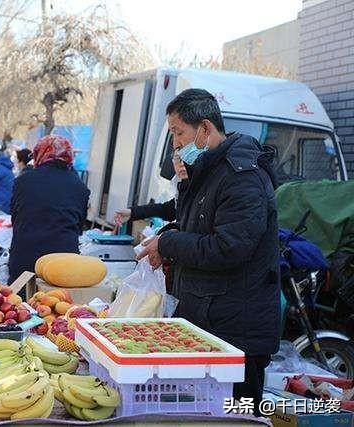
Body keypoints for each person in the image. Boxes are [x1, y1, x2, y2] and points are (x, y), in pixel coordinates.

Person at [138, 89, 280, 414]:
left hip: (237, 334)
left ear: (204, 128)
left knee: (237, 416)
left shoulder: (243, 177)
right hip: (209, 321)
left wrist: (169, 243)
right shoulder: (208, 171)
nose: (174, 143)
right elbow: (196, 230)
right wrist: (168, 236)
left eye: (178, 132)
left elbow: (228, 248)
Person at [8, 135, 89, 284]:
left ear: (40, 154)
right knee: (58, 305)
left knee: (20, 305)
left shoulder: (23, 181)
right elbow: (79, 227)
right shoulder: (80, 186)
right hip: (64, 264)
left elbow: (15, 217)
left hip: (25, 261)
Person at [114, 154, 188, 225]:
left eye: (187, 158)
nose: (181, 164)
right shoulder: (183, 187)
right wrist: (131, 212)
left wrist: (167, 237)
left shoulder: (197, 192)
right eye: (177, 159)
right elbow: (168, 210)